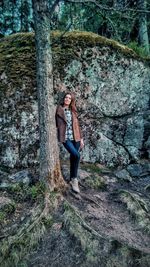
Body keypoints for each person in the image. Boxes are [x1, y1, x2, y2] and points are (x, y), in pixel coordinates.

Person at [55, 92, 84, 193]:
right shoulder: (58, 109)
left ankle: (73, 179)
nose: (67, 99)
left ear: (71, 101)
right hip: (65, 138)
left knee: (74, 157)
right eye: (66, 97)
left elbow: (77, 126)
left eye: (69, 98)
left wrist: (81, 139)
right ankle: (74, 179)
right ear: (63, 99)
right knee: (76, 155)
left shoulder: (73, 110)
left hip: (75, 137)